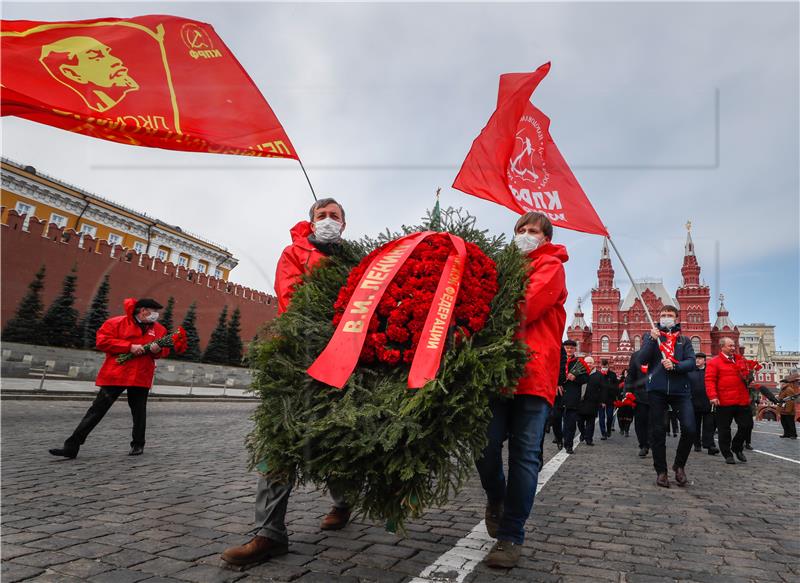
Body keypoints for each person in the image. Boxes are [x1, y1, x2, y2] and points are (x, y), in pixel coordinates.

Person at [222, 199, 352, 567]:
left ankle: (343, 502)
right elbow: (293, 298)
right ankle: (269, 533)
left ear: (345, 224)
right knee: (279, 439)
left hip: (344, 359)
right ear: (311, 221)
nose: (327, 221)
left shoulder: (356, 261)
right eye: (321, 216)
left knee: (336, 436)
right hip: (296, 356)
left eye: (334, 217)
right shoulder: (294, 253)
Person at [476, 211, 568, 568]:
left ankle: (511, 535)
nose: (527, 235)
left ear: (546, 238)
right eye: (522, 230)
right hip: (496, 375)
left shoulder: (551, 266)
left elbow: (524, 308)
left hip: (533, 374)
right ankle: (496, 497)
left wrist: (478, 313)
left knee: (525, 455)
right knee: (483, 445)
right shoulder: (501, 269)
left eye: (535, 231)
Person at [48, 298, 167, 458]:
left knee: (139, 412)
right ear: (143, 310)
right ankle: (72, 446)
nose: (156, 315)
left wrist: (157, 349)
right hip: (117, 374)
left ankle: (138, 444)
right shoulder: (116, 323)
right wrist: (129, 347)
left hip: (140, 375)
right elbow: (102, 341)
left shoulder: (159, 330)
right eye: (154, 311)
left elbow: (163, 352)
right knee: (96, 410)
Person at [639, 305, 696, 488]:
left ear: (676, 318)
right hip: (657, 390)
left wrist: (675, 365)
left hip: (681, 391)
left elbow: (692, 362)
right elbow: (642, 359)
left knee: (690, 428)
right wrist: (650, 340)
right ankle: (661, 471)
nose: (665, 318)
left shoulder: (684, 340)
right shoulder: (652, 337)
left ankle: (679, 465)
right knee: (658, 431)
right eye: (663, 315)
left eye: (669, 315)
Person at [40, 36, 139, 112]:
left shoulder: (117, 99)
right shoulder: (90, 109)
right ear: (73, 74)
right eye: (97, 57)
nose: (116, 61)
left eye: (108, 53)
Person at [705, 337, 753, 465]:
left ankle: (737, 447)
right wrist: (713, 396)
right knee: (724, 429)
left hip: (741, 400)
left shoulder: (740, 360)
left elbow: (747, 377)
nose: (733, 348)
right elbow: (709, 380)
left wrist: (749, 375)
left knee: (747, 425)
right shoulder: (714, 362)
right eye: (730, 346)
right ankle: (727, 454)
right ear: (722, 347)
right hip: (724, 401)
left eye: (734, 345)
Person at [561, 340, 590, 455]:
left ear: (575, 349)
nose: (569, 350)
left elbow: (586, 378)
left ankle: (569, 445)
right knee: (555, 419)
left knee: (571, 423)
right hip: (558, 395)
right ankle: (559, 438)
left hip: (573, 397)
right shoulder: (559, 362)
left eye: (571, 348)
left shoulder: (579, 363)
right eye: (567, 348)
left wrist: (576, 378)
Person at [688, 352, 719, 455]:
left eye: (700, 359)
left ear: (705, 361)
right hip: (693, 402)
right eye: (696, 358)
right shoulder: (690, 371)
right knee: (695, 425)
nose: (697, 360)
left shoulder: (709, 371)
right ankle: (696, 443)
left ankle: (710, 446)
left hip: (708, 402)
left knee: (709, 425)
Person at [626, 350, 650, 457]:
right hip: (640, 395)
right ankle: (643, 444)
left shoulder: (661, 353)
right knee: (640, 421)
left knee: (654, 422)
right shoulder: (636, 355)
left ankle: (651, 442)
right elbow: (631, 374)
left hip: (656, 394)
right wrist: (628, 391)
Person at [578, 357, 601, 446]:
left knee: (591, 423)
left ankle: (589, 439)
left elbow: (602, 388)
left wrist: (601, 400)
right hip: (581, 401)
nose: (589, 364)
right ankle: (583, 433)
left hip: (592, 402)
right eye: (587, 362)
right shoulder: (580, 372)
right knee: (579, 421)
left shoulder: (598, 375)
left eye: (590, 363)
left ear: (593, 363)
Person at [597, 359, 619, 440]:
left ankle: (609, 429)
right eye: (603, 367)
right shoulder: (598, 375)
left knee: (610, 417)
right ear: (600, 366)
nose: (604, 368)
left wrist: (608, 386)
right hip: (600, 400)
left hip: (610, 399)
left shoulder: (612, 375)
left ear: (608, 366)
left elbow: (616, 387)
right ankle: (603, 433)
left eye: (606, 367)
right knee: (601, 418)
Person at [777, 371, 799, 439]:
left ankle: (793, 435)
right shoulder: (783, 389)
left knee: (790, 423)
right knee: (784, 423)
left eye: (782, 383)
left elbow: (790, 401)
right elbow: (781, 399)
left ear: (786, 383)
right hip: (783, 409)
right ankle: (786, 434)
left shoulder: (788, 389)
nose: (781, 384)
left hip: (788, 411)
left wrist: (788, 410)